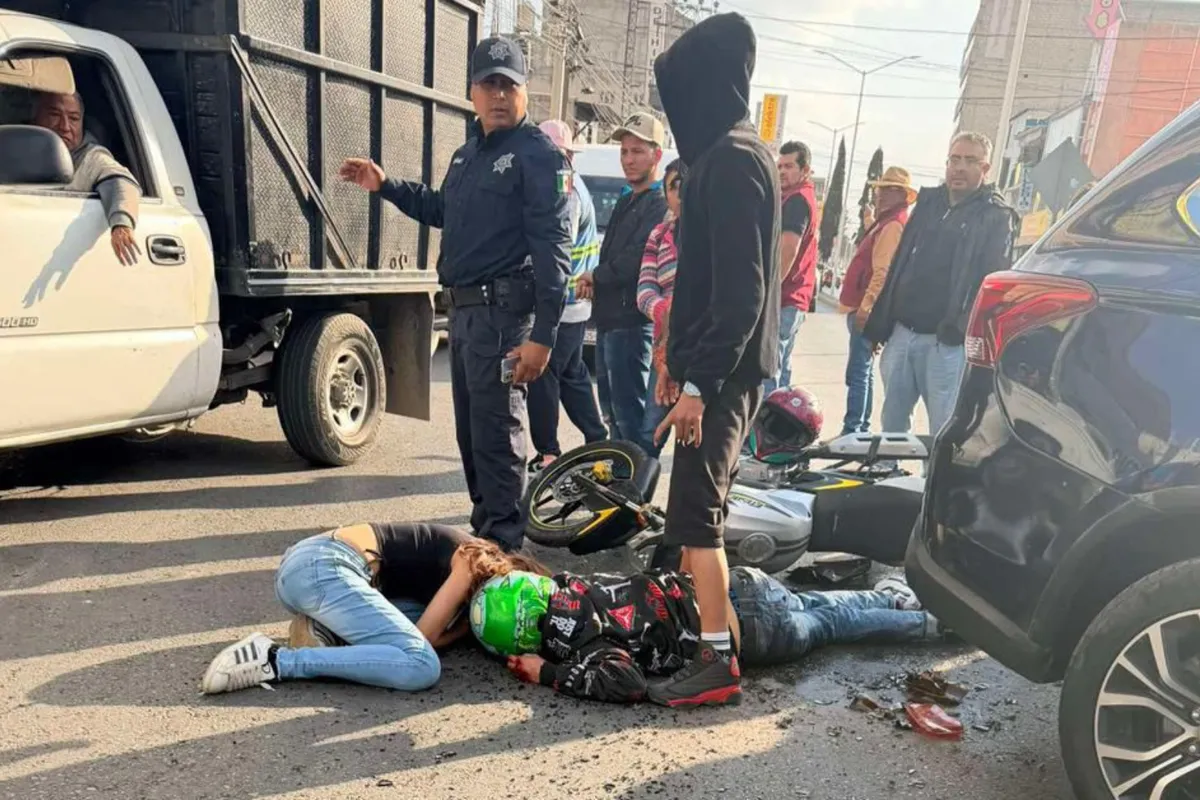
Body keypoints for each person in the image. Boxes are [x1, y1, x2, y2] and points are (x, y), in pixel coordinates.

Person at [339, 37, 573, 551]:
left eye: (508, 85)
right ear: (472, 91)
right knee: (471, 437)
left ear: (523, 91)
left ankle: (505, 548)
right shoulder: (467, 154)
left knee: (496, 437)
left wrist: (544, 337)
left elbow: (556, 251)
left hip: (506, 316)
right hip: (465, 313)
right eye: (488, 84)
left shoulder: (538, 156)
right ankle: (485, 536)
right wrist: (386, 186)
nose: (498, 95)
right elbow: (442, 209)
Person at [649, 11, 780, 707]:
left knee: (699, 517)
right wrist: (676, 354)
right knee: (695, 512)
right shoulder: (722, 156)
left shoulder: (731, 161)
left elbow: (742, 291)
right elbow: (702, 284)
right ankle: (715, 638)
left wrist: (700, 381)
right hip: (710, 368)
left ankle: (716, 663)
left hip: (724, 376)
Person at [470, 568, 940, 705]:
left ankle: (927, 624)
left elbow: (627, 682)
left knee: (828, 623)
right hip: (737, 586)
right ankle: (897, 601)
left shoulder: (587, 646)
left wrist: (549, 671)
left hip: (753, 633)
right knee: (815, 604)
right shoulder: (577, 587)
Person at [200, 523, 547, 695]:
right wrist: (463, 632)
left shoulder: (466, 575)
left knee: (409, 618)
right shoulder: (473, 558)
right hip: (324, 567)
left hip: (311, 570)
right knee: (421, 664)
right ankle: (275, 660)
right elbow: (424, 637)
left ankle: (326, 633)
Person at [864, 132, 1018, 438]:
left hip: (946, 344)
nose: (959, 168)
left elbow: (993, 285)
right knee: (891, 427)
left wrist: (960, 332)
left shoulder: (996, 216)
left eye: (970, 161)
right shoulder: (928, 204)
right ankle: (886, 478)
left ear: (985, 169)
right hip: (902, 334)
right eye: (954, 159)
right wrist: (880, 324)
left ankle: (932, 486)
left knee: (943, 431)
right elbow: (898, 266)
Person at [576, 112, 667, 444]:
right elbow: (611, 252)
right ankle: (617, 482)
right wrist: (593, 280)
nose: (628, 159)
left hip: (632, 323)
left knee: (629, 415)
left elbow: (635, 257)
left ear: (657, 154)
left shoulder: (658, 204)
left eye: (637, 151)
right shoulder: (627, 198)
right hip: (608, 319)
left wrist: (595, 276)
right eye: (625, 151)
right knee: (612, 411)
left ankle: (633, 487)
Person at [526, 119, 608, 473]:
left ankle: (548, 453)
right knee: (572, 374)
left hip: (560, 304)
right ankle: (597, 437)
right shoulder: (574, 186)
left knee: (543, 377)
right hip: (573, 304)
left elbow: (557, 245)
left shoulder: (566, 192)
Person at [836, 166, 914, 435]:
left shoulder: (893, 225)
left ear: (898, 194)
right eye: (879, 189)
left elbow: (882, 271)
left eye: (885, 189)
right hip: (862, 307)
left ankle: (853, 429)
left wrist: (867, 307)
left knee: (858, 372)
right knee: (861, 371)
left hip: (865, 310)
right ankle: (858, 428)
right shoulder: (887, 222)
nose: (878, 194)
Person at [33, 91, 141, 265]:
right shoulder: (14, 146)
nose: (65, 126)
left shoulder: (92, 157)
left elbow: (120, 182)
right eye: (54, 115)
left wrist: (121, 223)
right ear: (34, 117)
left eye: (74, 118)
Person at [635, 158, 685, 458]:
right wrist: (664, 310)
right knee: (651, 431)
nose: (680, 192)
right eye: (673, 186)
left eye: (685, 185)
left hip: (701, 347)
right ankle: (637, 500)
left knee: (695, 439)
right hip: (666, 346)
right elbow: (644, 289)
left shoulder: (714, 234)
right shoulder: (660, 234)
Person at [766, 141, 818, 393]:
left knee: (768, 371)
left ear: (804, 169)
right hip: (793, 299)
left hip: (784, 298)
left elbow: (788, 251)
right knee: (781, 371)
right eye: (779, 166)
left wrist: (767, 293)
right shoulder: (797, 197)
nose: (782, 172)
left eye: (788, 166)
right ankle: (779, 429)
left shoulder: (797, 201)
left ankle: (762, 432)